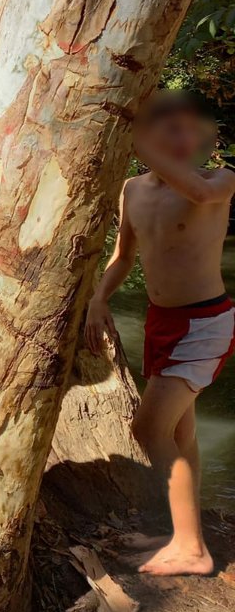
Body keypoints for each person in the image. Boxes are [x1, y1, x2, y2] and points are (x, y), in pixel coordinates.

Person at [86, 90, 235, 577]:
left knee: (148, 429)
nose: (185, 137)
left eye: (191, 129)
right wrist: (99, 298)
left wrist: (129, 134)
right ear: (153, 134)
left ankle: (192, 548)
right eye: (171, 128)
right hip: (161, 322)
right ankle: (187, 531)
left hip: (206, 322)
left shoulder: (219, 181)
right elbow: (124, 256)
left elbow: (198, 193)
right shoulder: (132, 189)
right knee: (180, 431)